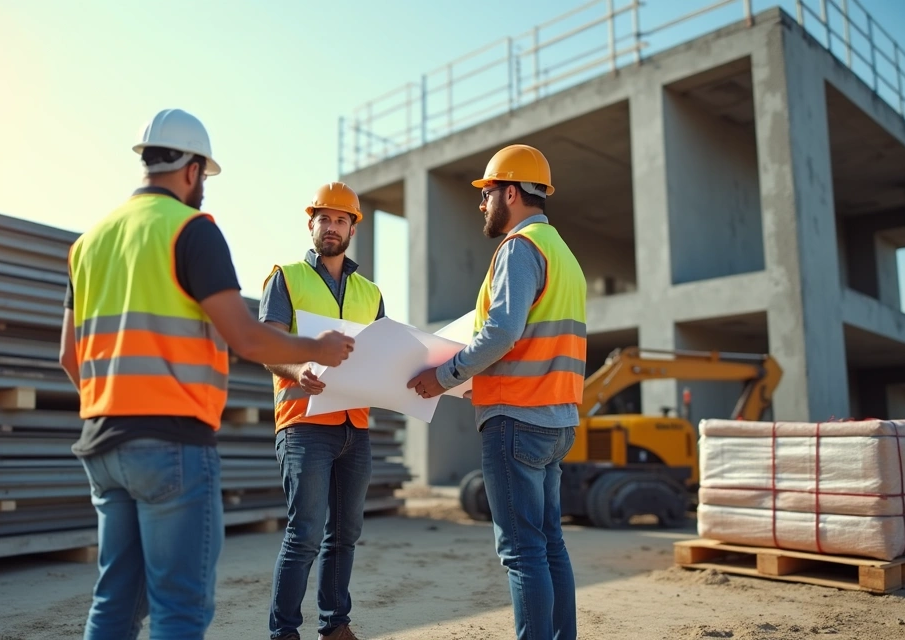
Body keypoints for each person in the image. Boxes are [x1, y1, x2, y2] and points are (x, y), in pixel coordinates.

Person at [58, 108, 355, 640]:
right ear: (192, 169)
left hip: (102, 442)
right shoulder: (192, 231)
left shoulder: (89, 242)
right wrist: (319, 348)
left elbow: (68, 356)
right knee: (180, 608)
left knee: (115, 603)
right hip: (172, 440)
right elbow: (244, 335)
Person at [407, 144, 586, 640]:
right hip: (557, 420)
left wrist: (444, 377)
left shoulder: (519, 248)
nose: (482, 204)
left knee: (523, 551)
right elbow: (528, 343)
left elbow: (503, 333)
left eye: (487, 194)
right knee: (549, 545)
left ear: (511, 192)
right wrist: (476, 379)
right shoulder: (563, 254)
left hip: (518, 420)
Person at [258, 182, 384, 640]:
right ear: (311, 223)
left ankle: (335, 626)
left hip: (356, 426)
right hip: (304, 424)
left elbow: (383, 355)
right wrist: (297, 369)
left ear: (353, 227)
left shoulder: (371, 292)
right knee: (306, 534)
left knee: (344, 535)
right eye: (324, 219)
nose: (331, 227)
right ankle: (284, 632)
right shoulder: (287, 277)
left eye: (341, 220)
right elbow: (266, 345)